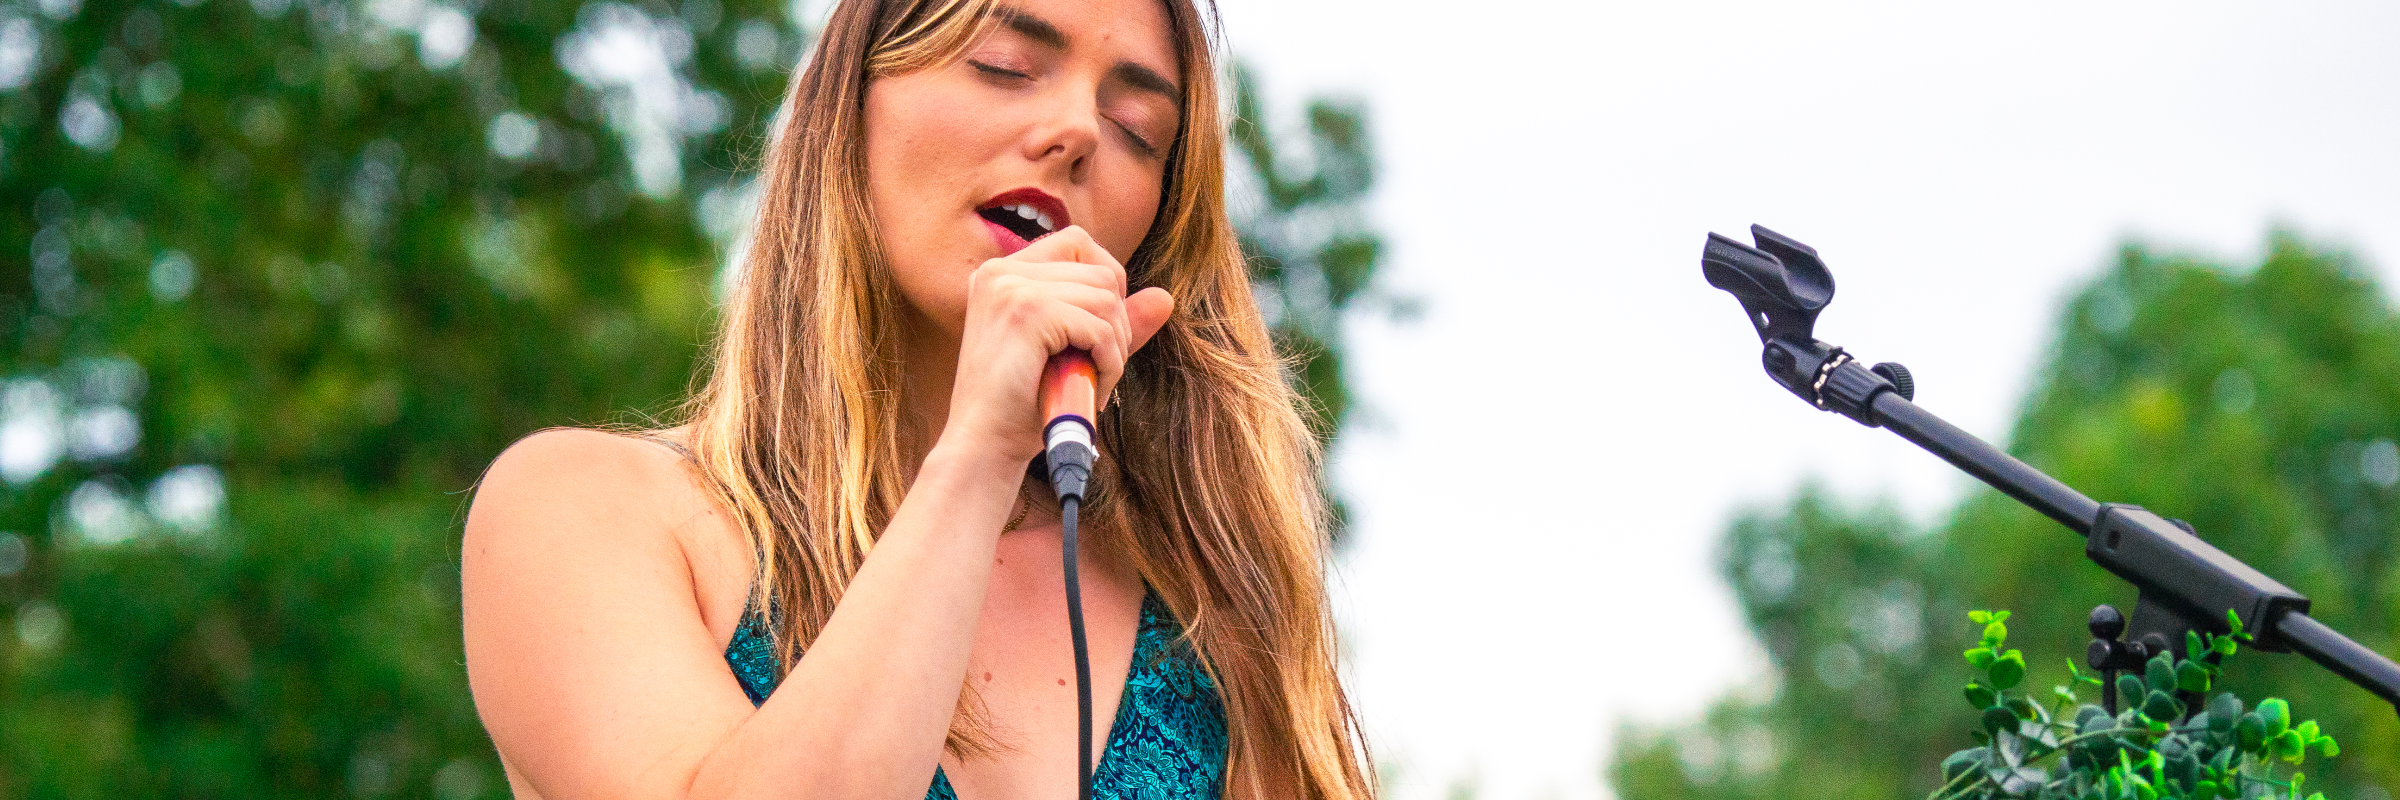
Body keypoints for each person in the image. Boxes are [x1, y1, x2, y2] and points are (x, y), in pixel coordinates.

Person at [460, 0, 1373, 797]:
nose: (1078, 130)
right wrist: (978, 456)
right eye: (1006, 67)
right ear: (852, 101)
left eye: (1136, 127)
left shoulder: (1218, 609)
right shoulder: (582, 511)